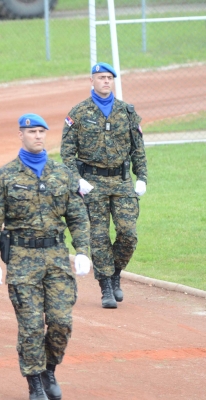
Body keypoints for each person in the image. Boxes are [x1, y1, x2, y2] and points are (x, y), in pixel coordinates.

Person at [0, 114, 91, 400]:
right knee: (31, 326)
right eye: (32, 132)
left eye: (42, 131)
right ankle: (34, 383)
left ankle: (49, 369)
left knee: (61, 321)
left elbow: (78, 216)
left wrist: (83, 250)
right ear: (21, 135)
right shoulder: (4, 176)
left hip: (56, 257)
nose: (38, 136)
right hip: (22, 258)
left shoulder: (63, 174)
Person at [61, 62, 147, 309]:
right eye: (101, 77)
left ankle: (116, 271)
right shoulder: (78, 113)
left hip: (121, 182)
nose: (106, 81)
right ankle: (106, 286)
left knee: (128, 233)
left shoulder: (127, 112)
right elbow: (67, 153)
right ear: (92, 81)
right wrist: (77, 180)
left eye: (109, 77)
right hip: (92, 183)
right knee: (98, 237)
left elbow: (138, 149)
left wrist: (141, 177)